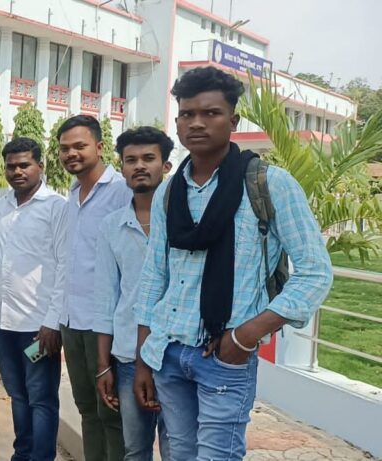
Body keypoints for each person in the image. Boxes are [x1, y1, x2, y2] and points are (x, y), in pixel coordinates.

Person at [133, 66, 333, 460]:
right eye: (187, 114)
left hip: (224, 357)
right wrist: (144, 359)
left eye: (211, 113)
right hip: (168, 351)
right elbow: (155, 276)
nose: (197, 123)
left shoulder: (269, 184)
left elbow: (315, 272)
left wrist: (245, 336)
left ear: (233, 121)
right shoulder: (169, 193)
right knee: (178, 454)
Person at [92, 127, 174, 461]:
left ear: (165, 166)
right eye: (131, 160)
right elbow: (105, 298)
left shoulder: (185, 220)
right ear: (122, 168)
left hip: (178, 355)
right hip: (128, 355)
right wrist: (103, 366)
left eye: (148, 158)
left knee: (177, 449)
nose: (139, 165)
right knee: (135, 449)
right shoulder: (111, 226)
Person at [0, 137, 67, 461]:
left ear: (40, 166)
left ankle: (41, 457)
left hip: (38, 329)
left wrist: (53, 323)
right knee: (17, 395)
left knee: (41, 398)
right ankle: (23, 454)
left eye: (24, 165)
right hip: (3, 324)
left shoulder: (56, 208)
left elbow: (65, 265)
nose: (17, 171)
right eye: (11, 166)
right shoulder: (1, 205)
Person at [56, 114, 131, 461]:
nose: (71, 153)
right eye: (64, 148)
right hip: (72, 321)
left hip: (106, 324)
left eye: (79, 146)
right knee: (86, 408)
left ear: (99, 147)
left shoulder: (121, 191)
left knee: (111, 412)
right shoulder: (72, 193)